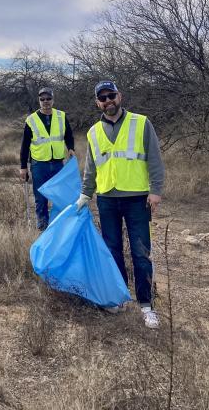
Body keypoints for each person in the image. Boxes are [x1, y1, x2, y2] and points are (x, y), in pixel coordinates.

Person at [76, 81, 165, 329]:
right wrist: (85, 194)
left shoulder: (141, 122)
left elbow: (155, 159)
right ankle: (119, 297)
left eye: (111, 95)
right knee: (112, 250)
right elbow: (91, 167)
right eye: (102, 98)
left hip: (137, 198)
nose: (108, 101)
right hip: (106, 199)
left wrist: (155, 191)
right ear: (97, 103)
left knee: (141, 252)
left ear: (119, 96)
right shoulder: (93, 132)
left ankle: (146, 305)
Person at [20, 87, 75, 231]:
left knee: (59, 195)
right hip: (39, 164)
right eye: (42, 99)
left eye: (48, 99)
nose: (45, 102)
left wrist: (70, 148)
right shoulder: (31, 120)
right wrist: (23, 167)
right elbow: (25, 145)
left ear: (53, 99)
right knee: (40, 197)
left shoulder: (61, 116)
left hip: (58, 163)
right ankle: (42, 226)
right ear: (39, 101)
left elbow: (68, 135)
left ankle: (59, 224)